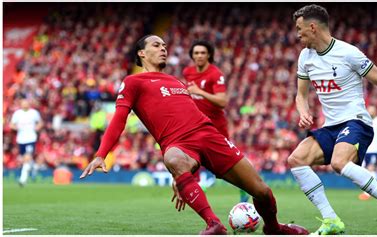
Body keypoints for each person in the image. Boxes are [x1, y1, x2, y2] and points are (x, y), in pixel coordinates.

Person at [79, 34, 308, 235]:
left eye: (165, 46)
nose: (163, 49)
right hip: (178, 143)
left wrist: (181, 179)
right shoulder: (132, 82)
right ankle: (214, 224)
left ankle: (274, 228)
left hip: (209, 135)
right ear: (141, 53)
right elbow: (119, 118)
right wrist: (101, 153)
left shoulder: (176, 80)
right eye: (157, 45)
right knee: (173, 159)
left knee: (262, 191)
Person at [287, 4, 377, 235]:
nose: (297, 34)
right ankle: (331, 219)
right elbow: (300, 95)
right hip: (331, 126)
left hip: (357, 122)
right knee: (296, 159)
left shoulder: (348, 53)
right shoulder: (305, 56)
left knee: (339, 162)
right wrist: (303, 111)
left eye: (300, 28)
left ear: (313, 27)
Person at [183, 40, 249, 203]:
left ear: (209, 55)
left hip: (215, 125)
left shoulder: (215, 74)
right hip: (196, 124)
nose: (199, 56)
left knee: (225, 166)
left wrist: (199, 91)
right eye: (196, 53)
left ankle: (245, 185)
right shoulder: (188, 72)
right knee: (191, 153)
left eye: (202, 53)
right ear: (191, 55)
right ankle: (195, 187)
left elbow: (222, 101)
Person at [10, 99, 43, 187]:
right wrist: (17, 128)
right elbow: (12, 124)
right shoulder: (17, 113)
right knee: (25, 159)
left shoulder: (34, 113)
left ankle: (22, 180)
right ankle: (34, 167)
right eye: (23, 103)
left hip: (31, 138)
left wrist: (37, 128)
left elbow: (40, 123)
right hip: (21, 139)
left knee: (27, 157)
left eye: (26, 103)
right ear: (21, 104)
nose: (25, 105)